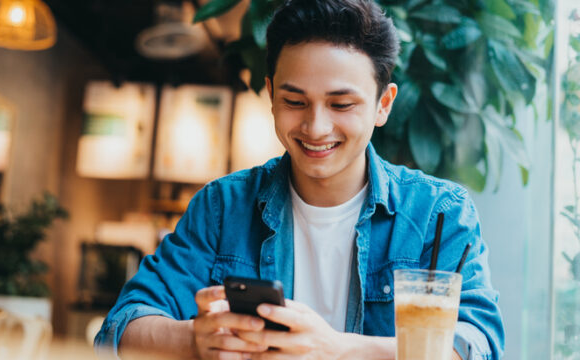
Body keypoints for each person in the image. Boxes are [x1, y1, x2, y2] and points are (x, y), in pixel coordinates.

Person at [95, 0, 505, 359]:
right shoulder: (223, 207)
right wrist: (194, 341)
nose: (316, 126)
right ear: (270, 95)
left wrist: (336, 351)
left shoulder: (439, 213)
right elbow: (121, 329)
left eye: (341, 103)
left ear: (383, 104)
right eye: (294, 101)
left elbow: (475, 345)